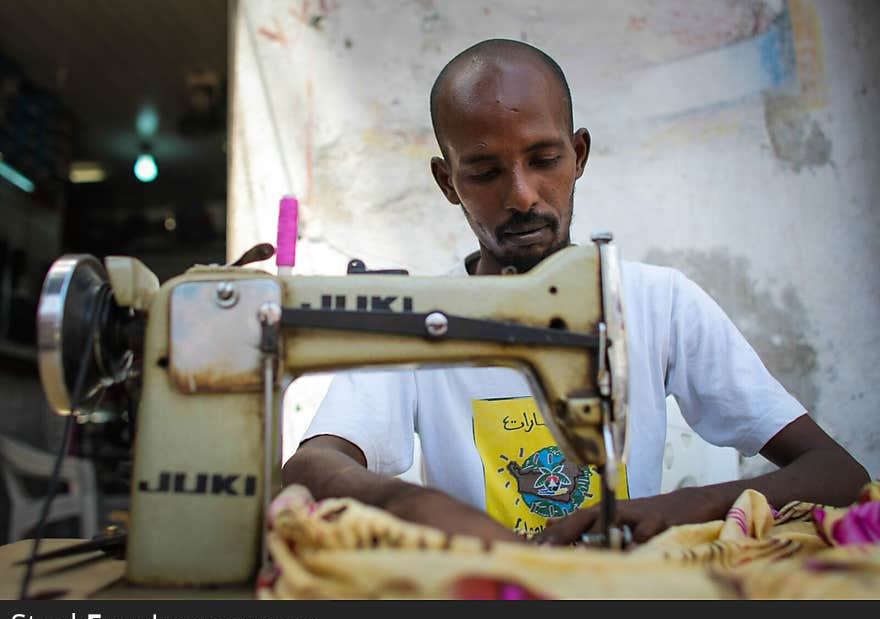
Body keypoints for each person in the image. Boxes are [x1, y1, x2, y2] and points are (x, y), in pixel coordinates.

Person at [281, 38, 869, 546]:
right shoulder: (422, 318)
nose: (523, 195)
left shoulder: (658, 303)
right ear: (448, 182)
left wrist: (675, 510)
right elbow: (311, 467)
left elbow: (839, 474)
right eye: (484, 173)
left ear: (579, 154)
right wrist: (412, 505)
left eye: (544, 159)